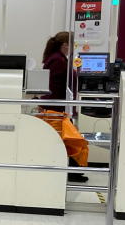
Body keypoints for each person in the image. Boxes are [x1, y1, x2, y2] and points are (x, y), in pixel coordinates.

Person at [38, 31, 90, 183]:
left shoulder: (57, 59)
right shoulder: (58, 61)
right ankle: (72, 171)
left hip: (58, 106)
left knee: (68, 139)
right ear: (65, 45)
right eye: (72, 45)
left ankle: (73, 171)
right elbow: (57, 85)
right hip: (57, 107)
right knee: (69, 139)